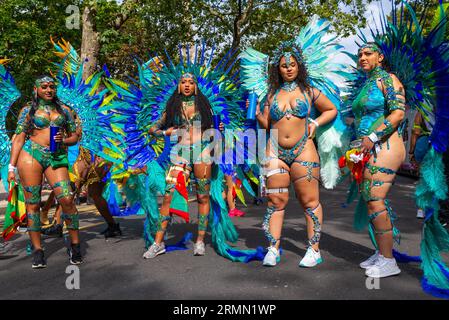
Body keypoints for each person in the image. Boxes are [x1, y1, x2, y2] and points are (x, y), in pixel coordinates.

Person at [254, 45, 338, 268]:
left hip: (304, 150)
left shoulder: (309, 91)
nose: (289, 68)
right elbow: (268, 125)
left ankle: (314, 249)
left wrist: (316, 123)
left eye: (292, 65)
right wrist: (258, 117)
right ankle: (273, 247)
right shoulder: (271, 95)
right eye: (284, 65)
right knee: (275, 201)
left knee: (309, 202)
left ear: (299, 66)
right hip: (275, 152)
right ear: (278, 70)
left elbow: (331, 110)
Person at [7, 75, 82, 268]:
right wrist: (11, 167)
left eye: (51, 87)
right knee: (33, 204)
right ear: (36, 89)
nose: (48, 90)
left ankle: (75, 245)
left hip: (56, 157)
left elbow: (74, 137)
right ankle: (38, 250)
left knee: (66, 199)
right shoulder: (28, 111)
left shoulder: (64, 110)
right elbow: (19, 138)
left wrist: (63, 141)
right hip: (31, 155)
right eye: (44, 87)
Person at [348, 43, 406, 278]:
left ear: (380, 57)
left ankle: (388, 261)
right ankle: (382, 252)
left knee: (375, 199)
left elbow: (399, 113)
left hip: (386, 145)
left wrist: (372, 136)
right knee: (371, 200)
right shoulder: (368, 83)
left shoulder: (388, 79)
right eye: (360, 54)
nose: (362, 57)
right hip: (368, 148)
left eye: (368, 54)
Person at [143, 73, 215, 258]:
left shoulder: (205, 106)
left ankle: (200, 241)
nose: (187, 85)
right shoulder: (172, 108)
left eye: (191, 82)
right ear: (178, 86)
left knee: (202, 197)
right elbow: (152, 129)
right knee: (169, 195)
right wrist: (165, 132)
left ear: (196, 86)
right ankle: (158, 243)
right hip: (181, 153)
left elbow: (213, 129)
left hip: (202, 152)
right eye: (183, 82)